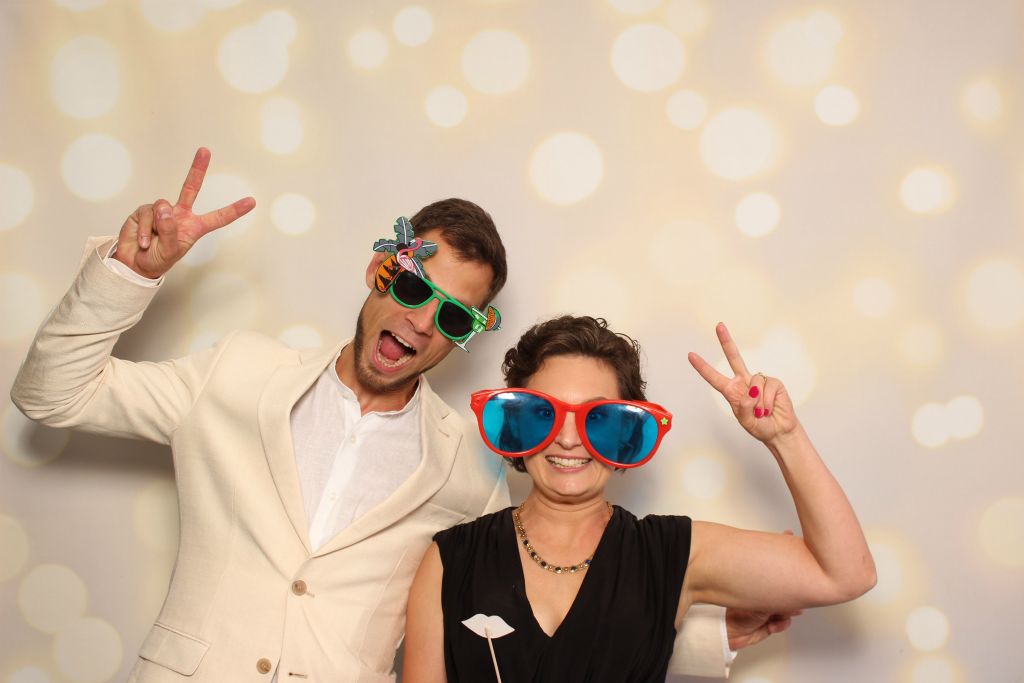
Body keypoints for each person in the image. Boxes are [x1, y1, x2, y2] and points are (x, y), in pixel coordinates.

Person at [10, 149, 776, 680]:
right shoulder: (237, 372)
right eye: (412, 288)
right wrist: (127, 274)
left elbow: (518, 606)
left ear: (466, 334)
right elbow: (50, 395)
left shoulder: (471, 462)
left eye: (453, 315)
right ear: (380, 271)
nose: (420, 321)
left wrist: (695, 634)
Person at [404, 316, 876, 682]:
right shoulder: (451, 560)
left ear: (627, 433)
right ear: (517, 423)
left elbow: (845, 574)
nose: (568, 438)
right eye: (545, 413)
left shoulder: (669, 552)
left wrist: (784, 437)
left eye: (597, 419)